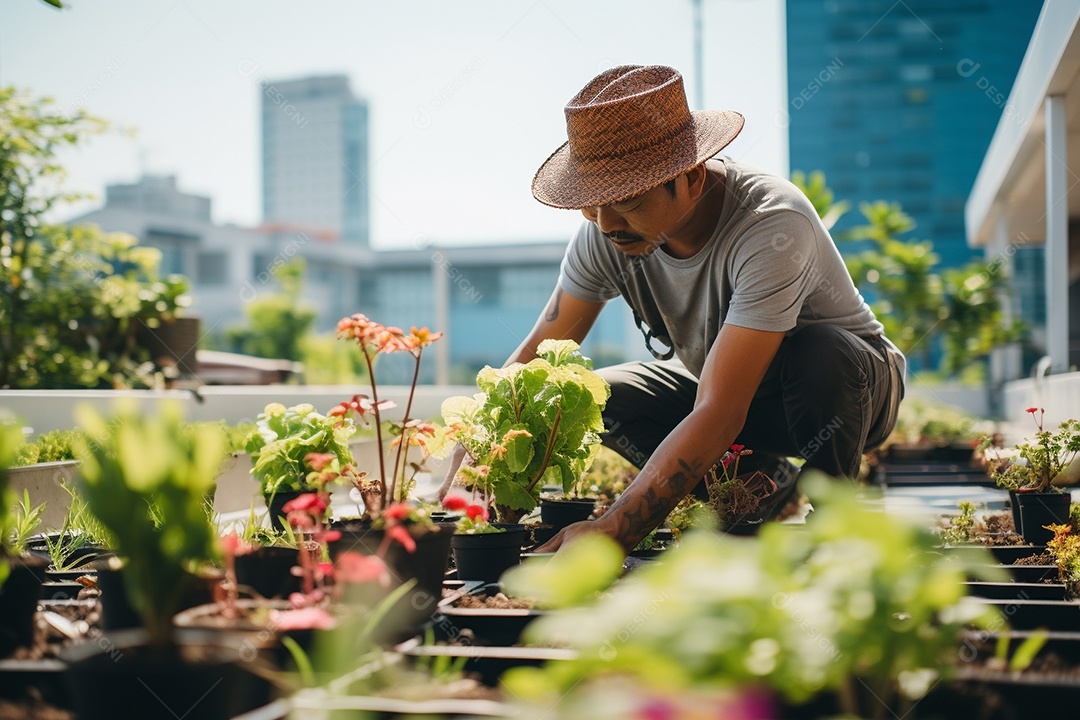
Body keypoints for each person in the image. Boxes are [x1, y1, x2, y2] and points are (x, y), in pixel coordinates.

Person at [445, 64, 905, 553]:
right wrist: (465, 462)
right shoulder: (607, 233)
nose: (605, 222)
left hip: (847, 395)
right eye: (591, 202)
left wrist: (613, 531)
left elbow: (720, 410)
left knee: (820, 351)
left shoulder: (771, 223)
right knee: (597, 396)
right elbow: (537, 356)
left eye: (627, 199)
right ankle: (758, 485)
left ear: (691, 175)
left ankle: (833, 524)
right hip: (732, 400)